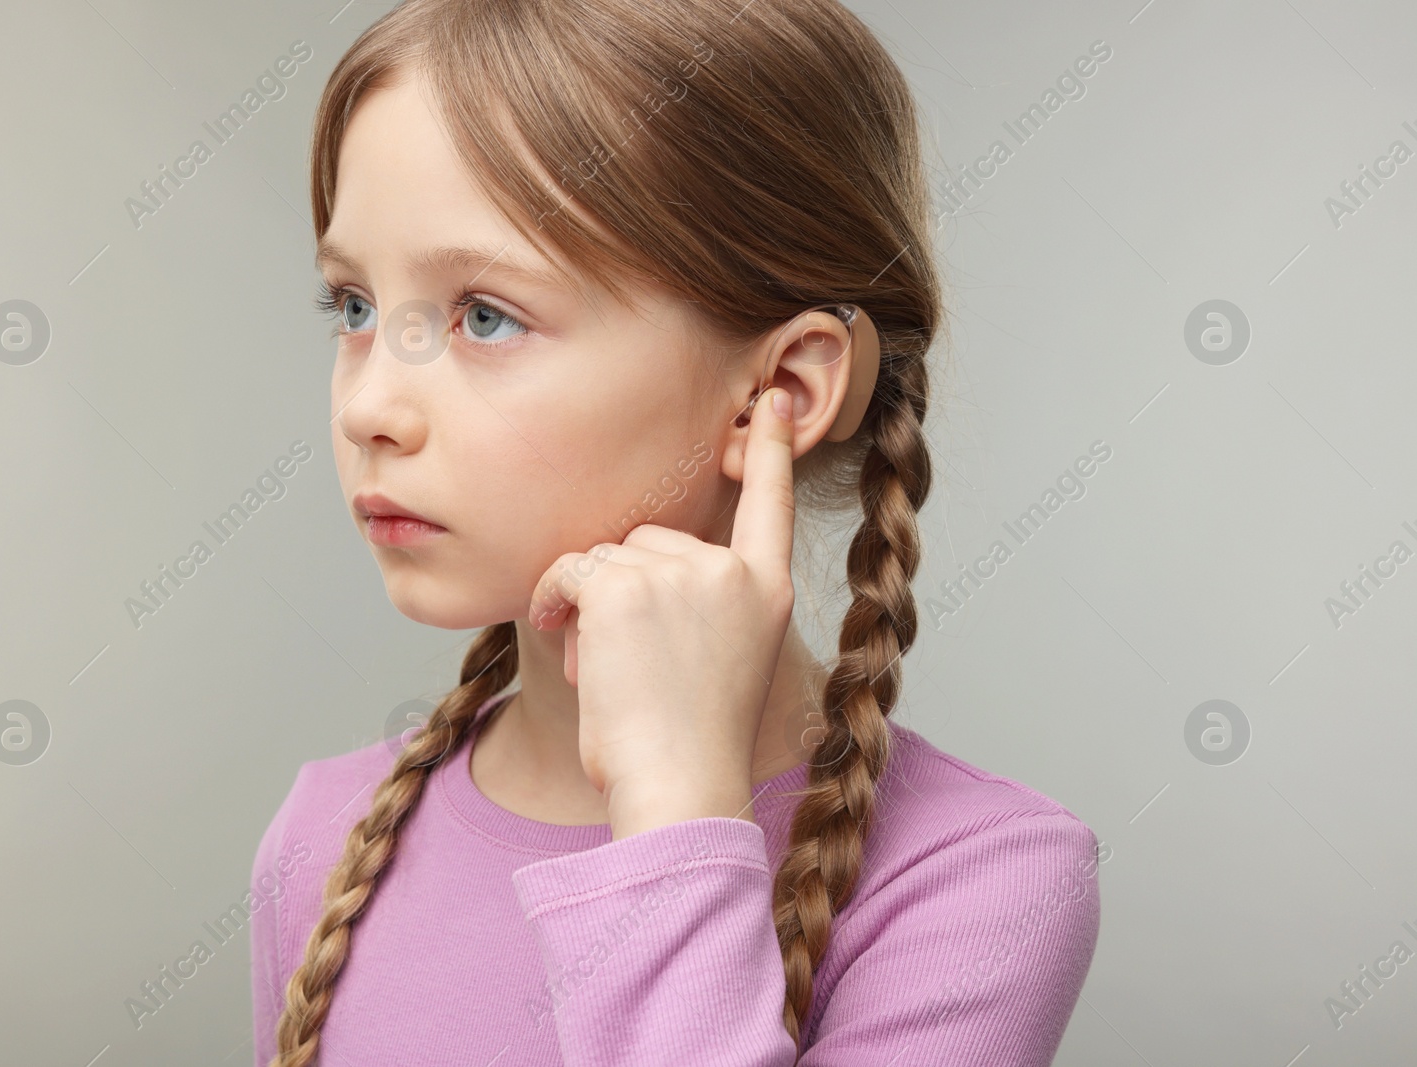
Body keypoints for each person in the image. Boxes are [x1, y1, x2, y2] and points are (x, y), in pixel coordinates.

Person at [252, 0, 1102, 1063]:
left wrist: (673, 808)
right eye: (355, 306)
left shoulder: (978, 881)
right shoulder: (323, 839)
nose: (368, 404)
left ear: (776, 392)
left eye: (484, 315)